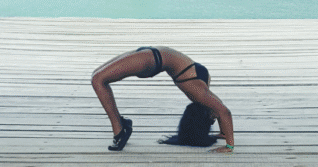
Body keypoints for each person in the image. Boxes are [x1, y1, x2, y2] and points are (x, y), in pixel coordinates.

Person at [91, 46, 235, 152]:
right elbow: (224, 112)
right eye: (214, 118)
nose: (214, 118)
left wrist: (226, 139)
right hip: (152, 57)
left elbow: (221, 111)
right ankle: (122, 127)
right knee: (97, 77)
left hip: (153, 57)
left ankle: (120, 129)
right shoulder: (197, 93)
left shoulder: (196, 90)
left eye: (211, 119)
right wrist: (228, 143)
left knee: (98, 79)